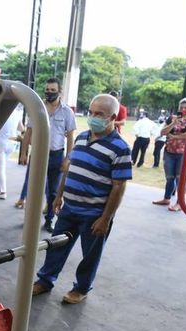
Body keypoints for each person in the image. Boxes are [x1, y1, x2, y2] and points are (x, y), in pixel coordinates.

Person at [32, 93, 132, 304]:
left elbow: (118, 187)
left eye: (99, 114)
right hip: (69, 209)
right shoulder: (81, 137)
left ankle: (81, 288)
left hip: (94, 214)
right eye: (91, 112)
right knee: (56, 246)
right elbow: (67, 170)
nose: (93, 117)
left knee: (90, 255)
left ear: (112, 117)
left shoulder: (120, 148)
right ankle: (45, 280)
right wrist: (58, 197)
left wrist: (105, 219)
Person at [16, 78, 76, 234]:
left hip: (57, 156)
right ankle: (30, 219)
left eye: (52, 90)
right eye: (47, 90)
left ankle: (49, 220)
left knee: (53, 192)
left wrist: (68, 158)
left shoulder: (67, 111)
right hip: (37, 155)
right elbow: (29, 131)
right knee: (32, 187)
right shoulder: (37, 107)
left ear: (59, 92)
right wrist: (23, 153)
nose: (49, 93)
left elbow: (70, 136)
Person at [152, 98, 186, 211]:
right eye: (181, 108)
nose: (183, 110)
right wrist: (173, 123)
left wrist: (174, 136)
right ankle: (166, 198)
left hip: (183, 154)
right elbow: (163, 132)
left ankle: (180, 203)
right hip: (169, 152)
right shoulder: (171, 118)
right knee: (170, 178)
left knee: (181, 179)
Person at [0, 104, 24, 200]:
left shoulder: (0, 112)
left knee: (0, 167)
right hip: (12, 142)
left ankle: (3, 191)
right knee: (2, 166)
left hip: (1, 141)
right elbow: (21, 128)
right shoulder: (17, 113)